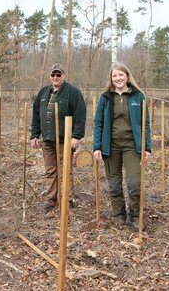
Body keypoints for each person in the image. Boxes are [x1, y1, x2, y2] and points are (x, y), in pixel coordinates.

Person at [93, 62, 151, 231]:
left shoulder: (138, 97)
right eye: (114, 76)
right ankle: (119, 215)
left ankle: (134, 217)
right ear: (111, 79)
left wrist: (147, 147)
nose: (118, 78)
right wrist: (97, 146)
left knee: (134, 182)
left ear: (127, 76)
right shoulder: (105, 98)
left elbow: (145, 124)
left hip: (132, 146)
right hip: (110, 146)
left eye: (121, 75)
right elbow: (98, 123)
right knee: (114, 183)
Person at [30, 63, 87, 211]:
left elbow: (80, 115)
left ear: (63, 76)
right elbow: (36, 115)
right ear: (50, 76)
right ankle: (51, 199)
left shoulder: (73, 93)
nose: (55, 77)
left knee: (65, 169)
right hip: (47, 140)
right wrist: (34, 134)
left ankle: (66, 200)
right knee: (50, 170)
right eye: (53, 75)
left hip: (64, 140)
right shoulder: (43, 93)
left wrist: (76, 136)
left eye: (58, 75)